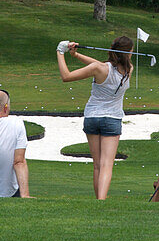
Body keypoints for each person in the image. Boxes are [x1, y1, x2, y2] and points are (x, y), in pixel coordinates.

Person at [57, 36, 133, 199]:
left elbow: (67, 76)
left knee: (98, 165)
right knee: (106, 165)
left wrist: (60, 52)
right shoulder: (129, 70)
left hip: (92, 118)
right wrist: (76, 55)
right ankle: (101, 201)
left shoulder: (100, 69)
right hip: (112, 119)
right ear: (128, 53)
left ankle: (98, 200)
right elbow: (98, 65)